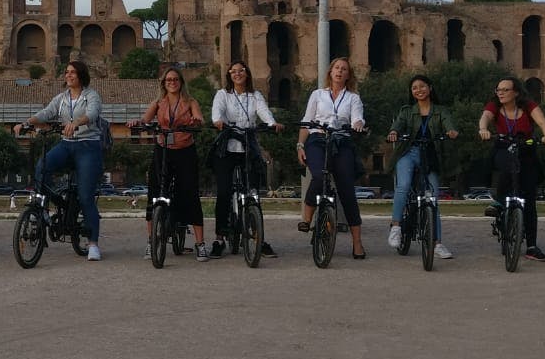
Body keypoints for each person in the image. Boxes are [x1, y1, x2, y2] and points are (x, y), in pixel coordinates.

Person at [16, 60, 106, 261]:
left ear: (81, 75)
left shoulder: (91, 95)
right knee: (42, 167)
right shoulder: (62, 98)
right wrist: (26, 122)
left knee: (85, 196)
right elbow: (47, 112)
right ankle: (47, 206)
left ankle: (93, 243)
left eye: (73, 72)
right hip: (66, 144)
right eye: (66, 72)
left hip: (88, 145)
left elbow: (92, 114)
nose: (68, 75)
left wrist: (76, 123)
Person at [130, 67, 208, 260]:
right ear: (163, 84)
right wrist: (136, 123)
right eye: (168, 80)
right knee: (154, 193)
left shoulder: (190, 102)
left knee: (190, 194)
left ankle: (200, 244)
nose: (172, 82)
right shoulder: (158, 103)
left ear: (181, 82)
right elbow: (145, 120)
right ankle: (151, 241)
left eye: (175, 79)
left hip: (185, 151)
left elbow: (199, 118)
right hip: (163, 150)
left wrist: (196, 120)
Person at [209, 60, 282, 258]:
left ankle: (258, 236)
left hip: (248, 148)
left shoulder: (255, 96)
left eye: (241, 71)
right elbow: (217, 112)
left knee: (253, 193)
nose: (237, 74)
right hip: (227, 148)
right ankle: (219, 238)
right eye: (233, 71)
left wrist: (272, 123)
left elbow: (264, 112)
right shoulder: (223, 94)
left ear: (247, 74)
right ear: (229, 75)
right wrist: (218, 121)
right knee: (224, 192)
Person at [297, 57, 369, 259]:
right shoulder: (318, 95)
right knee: (319, 176)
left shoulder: (353, 98)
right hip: (317, 140)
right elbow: (307, 122)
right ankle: (307, 218)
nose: (339, 71)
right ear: (330, 72)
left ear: (348, 75)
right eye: (337, 68)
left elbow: (357, 117)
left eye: (344, 69)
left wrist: (358, 125)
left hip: (341, 141)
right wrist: (300, 146)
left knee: (346, 190)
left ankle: (357, 243)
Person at [479, 76, 545, 263]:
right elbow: (485, 118)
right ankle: (499, 202)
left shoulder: (528, 106)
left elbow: (542, 121)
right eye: (499, 89)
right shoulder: (494, 106)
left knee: (529, 200)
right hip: (503, 147)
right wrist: (483, 129)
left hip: (526, 149)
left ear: (516, 93)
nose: (501, 93)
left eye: (505, 90)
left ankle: (531, 246)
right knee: (506, 165)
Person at [387, 75, 461, 259]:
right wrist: (394, 132)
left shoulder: (440, 111)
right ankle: (396, 226)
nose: (418, 90)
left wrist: (451, 131)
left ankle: (437, 244)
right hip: (409, 152)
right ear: (411, 93)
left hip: (430, 154)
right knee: (403, 186)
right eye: (414, 88)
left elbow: (448, 123)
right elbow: (398, 125)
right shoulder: (407, 111)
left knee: (433, 198)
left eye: (422, 86)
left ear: (430, 88)